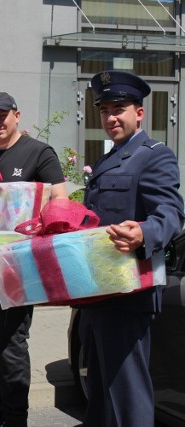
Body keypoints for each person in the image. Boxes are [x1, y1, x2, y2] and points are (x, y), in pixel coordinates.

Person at [78, 71, 184, 426]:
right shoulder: (108, 159)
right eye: (104, 110)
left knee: (127, 396)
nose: (110, 118)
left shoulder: (154, 155)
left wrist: (145, 232)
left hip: (130, 294)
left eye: (119, 108)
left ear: (139, 112)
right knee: (99, 392)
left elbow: (171, 213)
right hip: (97, 293)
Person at [0, 92, 68, 426]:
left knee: (10, 342)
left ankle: (16, 417)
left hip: (18, 265)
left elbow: (59, 199)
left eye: (2, 116)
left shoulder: (39, 152)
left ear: (17, 115)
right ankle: (1, 403)